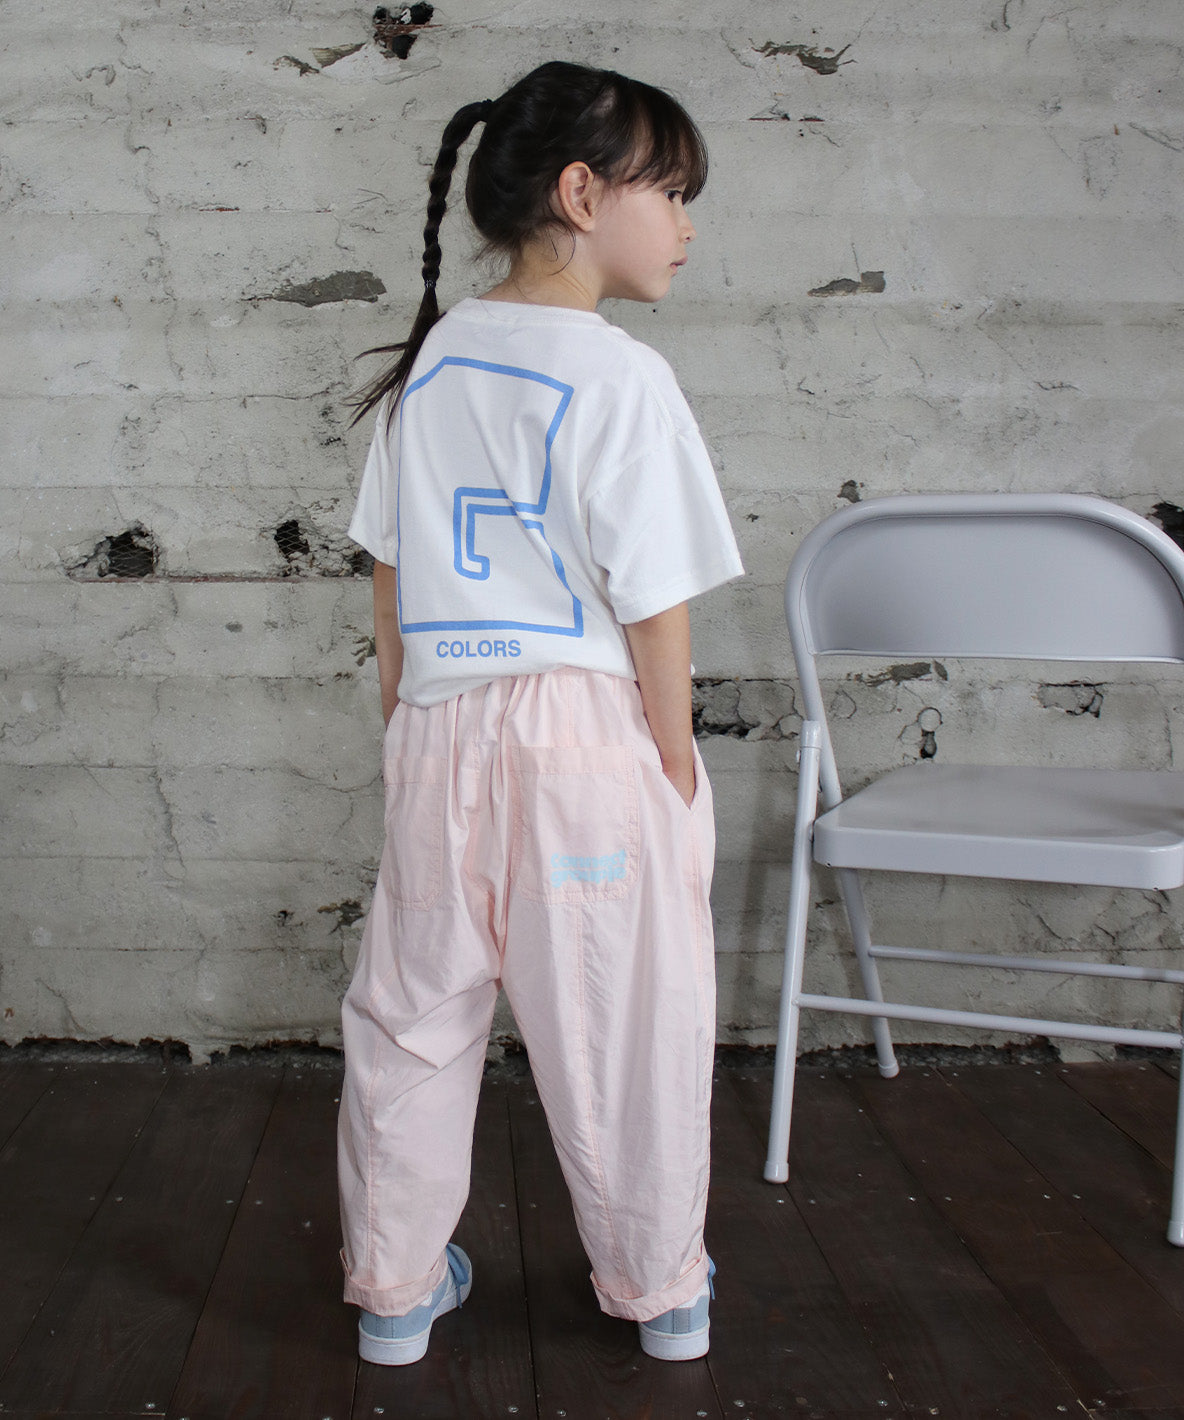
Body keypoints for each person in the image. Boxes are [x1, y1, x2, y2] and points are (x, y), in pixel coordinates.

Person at [338, 59, 744, 1368]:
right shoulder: (623, 378)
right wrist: (674, 772)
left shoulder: (431, 364)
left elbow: (393, 586)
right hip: (587, 745)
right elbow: (655, 609)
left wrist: (408, 734)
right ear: (581, 192)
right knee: (624, 1024)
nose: (685, 226)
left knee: (411, 1020)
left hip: (440, 728)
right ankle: (660, 1291)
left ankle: (395, 1294)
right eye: (669, 193)